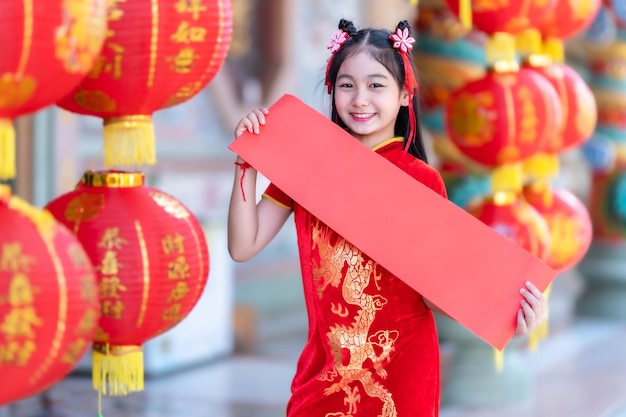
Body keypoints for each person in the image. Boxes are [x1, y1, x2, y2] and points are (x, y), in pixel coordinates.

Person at [227, 18, 547, 417]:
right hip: (323, 372)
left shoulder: (420, 179)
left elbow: (435, 293)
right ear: (332, 90)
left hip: (400, 377)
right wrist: (247, 164)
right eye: (347, 85)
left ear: (403, 95)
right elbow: (242, 247)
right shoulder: (306, 165)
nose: (360, 99)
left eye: (376, 85)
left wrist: (506, 311)